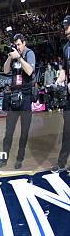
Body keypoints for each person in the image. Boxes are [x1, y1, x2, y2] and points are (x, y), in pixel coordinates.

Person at [0, 34, 35, 170]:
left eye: (19, 44)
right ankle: (3, 159)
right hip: (14, 97)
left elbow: (29, 71)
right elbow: (5, 70)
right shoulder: (14, 55)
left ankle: (19, 158)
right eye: (15, 44)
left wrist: (19, 57)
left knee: (24, 132)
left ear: (24, 43)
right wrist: (10, 56)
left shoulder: (29, 53)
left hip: (26, 98)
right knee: (8, 132)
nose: (17, 47)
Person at [52, 16, 70, 173]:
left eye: (68, 27)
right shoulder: (66, 48)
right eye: (65, 27)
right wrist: (57, 81)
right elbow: (64, 70)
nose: (66, 30)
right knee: (67, 130)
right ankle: (62, 163)